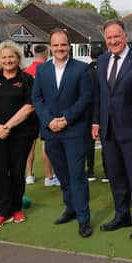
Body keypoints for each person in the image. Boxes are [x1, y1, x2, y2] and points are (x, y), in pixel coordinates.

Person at [91, 20, 132, 241]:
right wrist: (95, 122)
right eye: (109, 38)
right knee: (116, 176)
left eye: (117, 36)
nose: (113, 41)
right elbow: (99, 95)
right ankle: (122, 215)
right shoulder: (101, 61)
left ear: (125, 36)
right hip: (108, 131)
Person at [32, 29, 93, 238]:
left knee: (77, 175)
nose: (60, 48)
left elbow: (85, 99)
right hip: (51, 132)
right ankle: (71, 209)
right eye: (56, 45)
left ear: (69, 46)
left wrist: (66, 119)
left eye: (63, 45)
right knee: (63, 176)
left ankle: (84, 219)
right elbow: (37, 98)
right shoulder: (42, 70)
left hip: (74, 131)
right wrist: (49, 121)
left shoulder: (82, 69)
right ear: (50, 47)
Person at [0, 41, 39, 229]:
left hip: (21, 133)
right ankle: (4, 212)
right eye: (4, 57)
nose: (7, 60)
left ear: (18, 58)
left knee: (17, 171)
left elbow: (29, 106)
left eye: (11, 56)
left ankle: (16, 208)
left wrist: (8, 126)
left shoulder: (27, 79)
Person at [24, 44, 59, 187]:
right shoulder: (49, 70)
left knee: (30, 145)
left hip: (29, 112)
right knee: (46, 144)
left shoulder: (26, 71)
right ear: (46, 53)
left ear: (32, 53)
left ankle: (29, 175)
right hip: (44, 111)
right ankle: (49, 177)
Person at [85, 45, 107, 182]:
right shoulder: (105, 70)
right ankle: (107, 172)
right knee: (106, 141)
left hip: (88, 109)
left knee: (89, 142)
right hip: (103, 108)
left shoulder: (85, 70)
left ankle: (91, 171)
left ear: (90, 55)